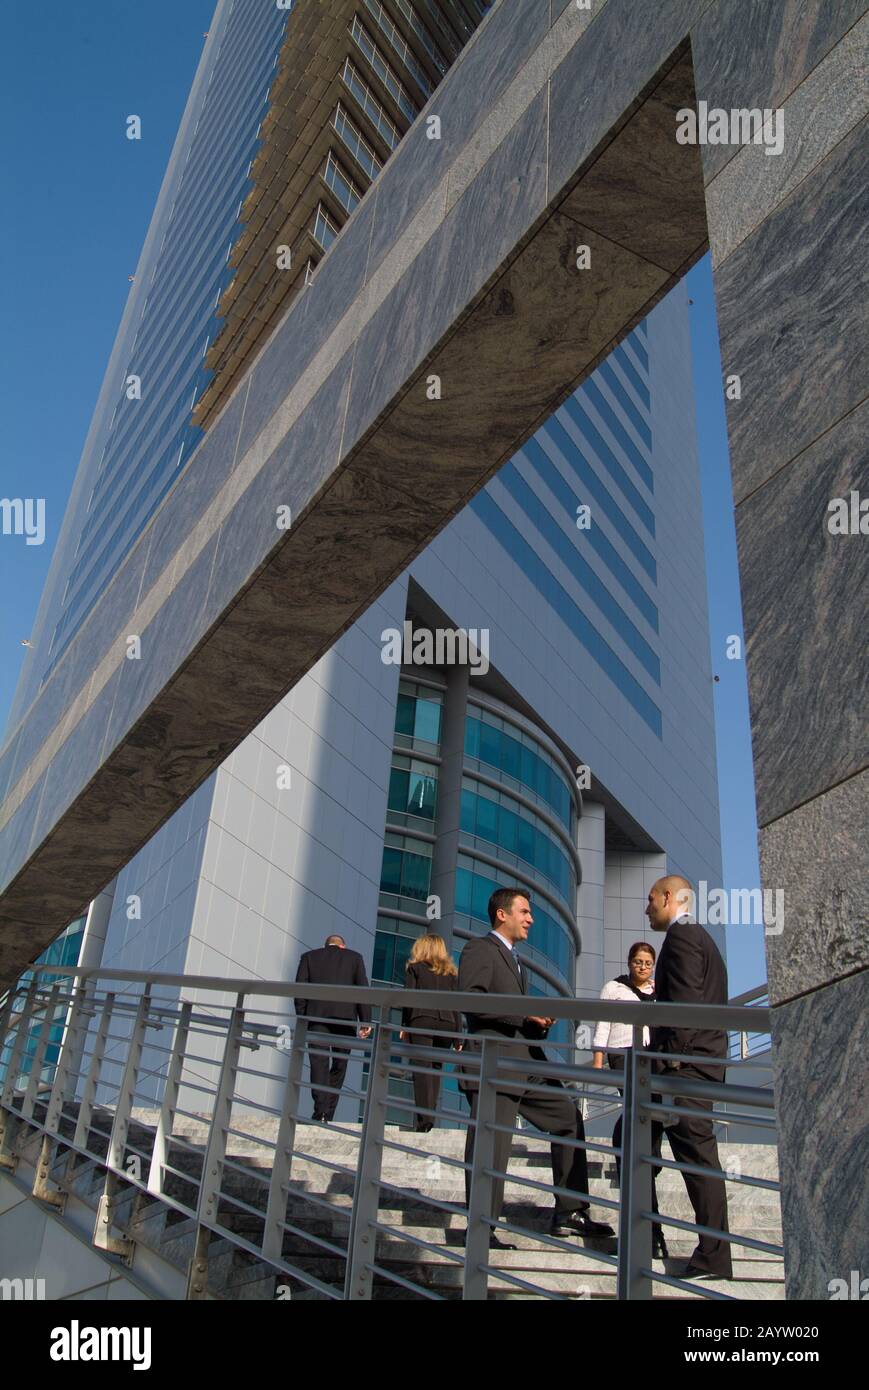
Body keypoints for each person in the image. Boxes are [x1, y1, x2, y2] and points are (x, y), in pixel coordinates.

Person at [459, 888, 614, 1246]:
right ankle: (481, 1229)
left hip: (526, 1063)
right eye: (524, 912)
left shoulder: (516, 961)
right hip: (493, 1065)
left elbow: (507, 1014)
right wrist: (521, 1013)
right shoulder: (480, 949)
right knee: (492, 1145)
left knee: (568, 1117)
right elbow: (471, 1001)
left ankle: (570, 1212)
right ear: (502, 915)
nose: (530, 919)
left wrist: (534, 1023)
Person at [647, 875, 732, 1280]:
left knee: (699, 1160)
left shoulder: (682, 939)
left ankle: (714, 1259)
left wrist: (671, 1064)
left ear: (668, 897)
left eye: (650, 900)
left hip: (689, 1067)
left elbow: (684, 1005)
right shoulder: (702, 939)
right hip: (702, 1063)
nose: (647, 909)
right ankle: (707, 1253)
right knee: (695, 1158)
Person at [591, 941, 667, 1258]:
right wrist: (597, 1063)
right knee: (638, 1119)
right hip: (625, 1056)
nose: (642, 967)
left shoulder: (659, 990)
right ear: (629, 962)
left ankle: (642, 1153)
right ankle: (651, 1232)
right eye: (637, 961)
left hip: (654, 1059)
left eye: (648, 962)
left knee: (646, 1124)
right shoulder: (614, 988)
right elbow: (602, 1025)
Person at [294, 934, 372, 1122]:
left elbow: (300, 990)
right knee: (339, 1065)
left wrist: (304, 1016)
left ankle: (320, 1110)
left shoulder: (309, 957)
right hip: (345, 1020)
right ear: (342, 946)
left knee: (319, 1064)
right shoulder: (354, 958)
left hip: (317, 1018)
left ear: (326, 945)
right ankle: (327, 1112)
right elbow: (363, 989)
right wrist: (366, 1020)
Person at [398, 934, 463, 1132]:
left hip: (422, 1019)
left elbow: (409, 998)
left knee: (421, 1068)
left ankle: (424, 1121)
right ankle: (430, 1119)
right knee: (435, 1069)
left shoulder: (415, 969)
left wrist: (404, 1026)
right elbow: (457, 1005)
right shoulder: (451, 974)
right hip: (447, 1023)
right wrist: (458, 1035)